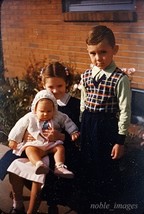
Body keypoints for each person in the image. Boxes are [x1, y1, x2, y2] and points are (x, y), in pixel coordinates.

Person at [0, 61, 80, 214]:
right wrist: (25, 136)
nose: (55, 91)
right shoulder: (40, 101)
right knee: (13, 160)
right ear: (43, 84)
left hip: (60, 149)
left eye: (60, 86)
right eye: (51, 87)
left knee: (45, 169)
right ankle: (18, 203)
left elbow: (77, 132)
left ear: (67, 84)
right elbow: (28, 121)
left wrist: (61, 136)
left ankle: (39, 205)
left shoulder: (73, 105)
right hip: (36, 145)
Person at [79, 25, 131, 213]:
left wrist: (120, 141)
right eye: (92, 53)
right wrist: (80, 127)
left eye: (103, 52)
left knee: (105, 167)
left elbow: (125, 110)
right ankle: (90, 203)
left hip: (106, 126)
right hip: (88, 124)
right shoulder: (85, 75)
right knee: (88, 164)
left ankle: (106, 205)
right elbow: (83, 103)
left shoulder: (119, 78)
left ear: (114, 50)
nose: (98, 58)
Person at [8, 89, 79, 178]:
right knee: (29, 149)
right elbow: (19, 127)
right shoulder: (30, 117)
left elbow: (67, 122)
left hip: (52, 144)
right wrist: (13, 139)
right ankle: (39, 164)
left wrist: (73, 132)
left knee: (60, 148)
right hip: (36, 144)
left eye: (49, 111)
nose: (45, 114)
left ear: (54, 109)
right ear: (35, 109)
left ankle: (59, 166)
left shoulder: (58, 116)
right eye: (42, 111)